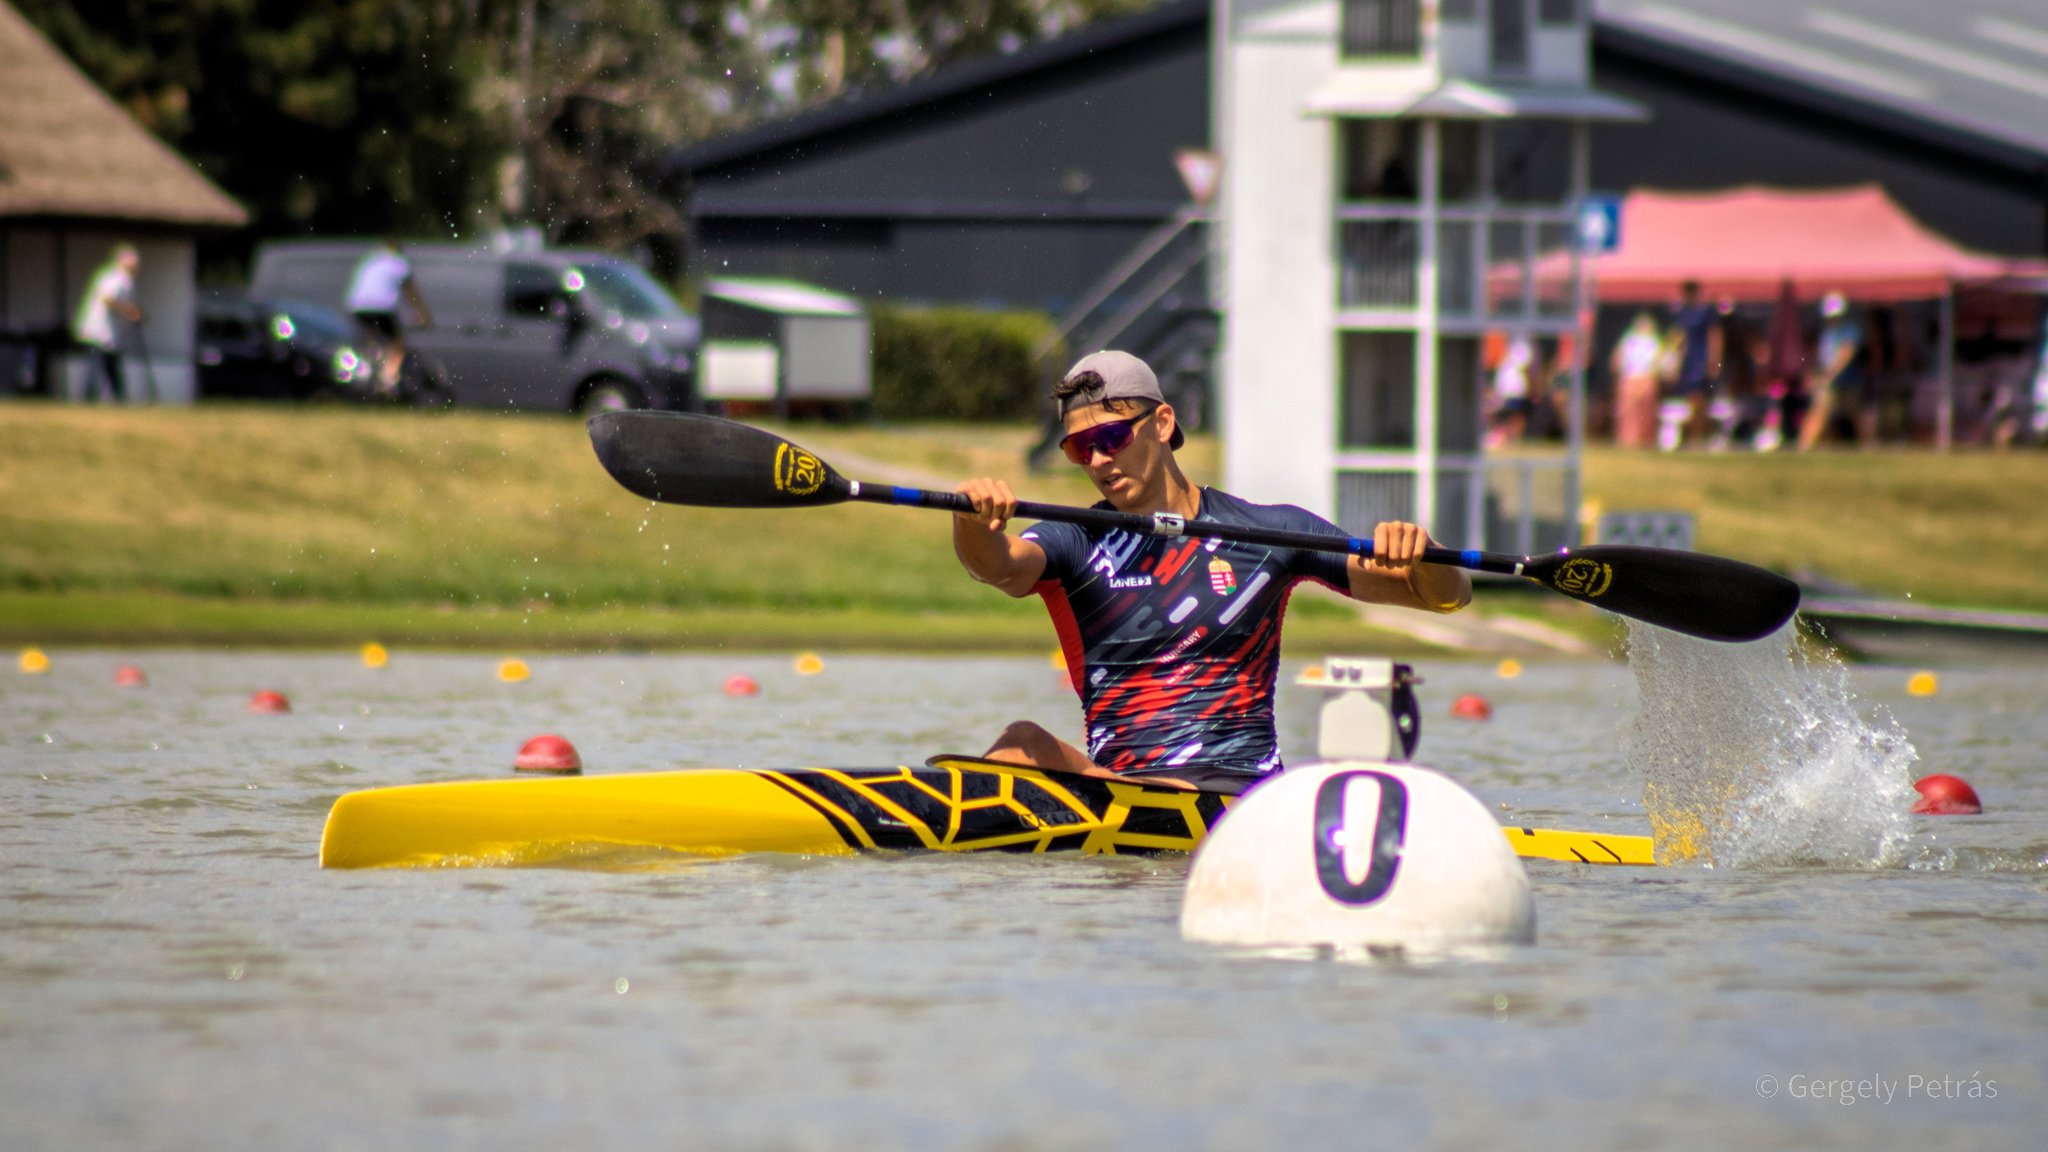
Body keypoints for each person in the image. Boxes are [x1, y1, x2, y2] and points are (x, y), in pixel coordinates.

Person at [952, 351, 1471, 794]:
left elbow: (1447, 596)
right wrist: (973, 520)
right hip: (1124, 793)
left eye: (1111, 436)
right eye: (1079, 449)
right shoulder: (1075, 540)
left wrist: (1426, 555)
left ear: (1161, 423)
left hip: (1238, 795)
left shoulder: (1270, 533)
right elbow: (997, 565)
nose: (1099, 459)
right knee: (1021, 745)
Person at [346, 239, 433, 392]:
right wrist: (424, 316)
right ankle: (388, 380)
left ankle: (368, 368)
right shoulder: (399, 263)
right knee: (397, 343)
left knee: (372, 342)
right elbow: (412, 294)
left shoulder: (371, 262)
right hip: (381, 306)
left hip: (357, 306)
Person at [72, 244, 142, 404]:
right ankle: (88, 398)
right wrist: (129, 311)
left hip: (107, 333)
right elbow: (107, 299)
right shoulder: (118, 279)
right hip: (100, 331)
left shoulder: (118, 279)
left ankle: (117, 398)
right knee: (97, 366)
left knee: (110, 366)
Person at [1799, 292, 1863, 451]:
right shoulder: (1825, 332)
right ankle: (1805, 446)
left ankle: (1867, 445)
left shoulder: (1849, 330)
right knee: (1820, 411)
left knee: (1855, 414)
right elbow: (1819, 357)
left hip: (1848, 380)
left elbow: (1846, 353)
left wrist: (1830, 374)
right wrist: (1815, 375)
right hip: (1828, 379)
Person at [1670, 280, 1723, 447]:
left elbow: (1714, 335)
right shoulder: (1683, 313)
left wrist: (1714, 360)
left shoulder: (1706, 312)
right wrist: (1676, 362)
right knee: (1692, 400)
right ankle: (1696, 435)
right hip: (1689, 361)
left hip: (1701, 359)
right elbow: (1681, 339)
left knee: (1699, 400)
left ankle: (1698, 435)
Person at [1611, 312, 1663, 448]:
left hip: (1645, 377)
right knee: (1629, 412)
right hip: (1631, 377)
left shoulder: (1653, 341)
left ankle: (1644, 440)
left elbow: (1657, 361)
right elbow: (1618, 359)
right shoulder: (1630, 340)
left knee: (1645, 412)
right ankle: (1628, 440)